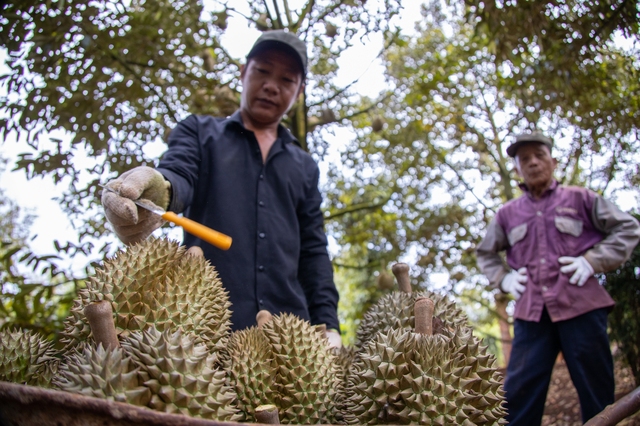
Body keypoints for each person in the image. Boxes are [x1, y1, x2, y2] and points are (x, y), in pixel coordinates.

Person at [101, 30, 341, 346]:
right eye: (263, 71)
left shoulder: (305, 166)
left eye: (287, 80)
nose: (272, 85)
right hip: (205, 330)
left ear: (299, 92)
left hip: (296, 340)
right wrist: (160, 191)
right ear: (243, 73)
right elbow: (178, 175)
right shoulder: (199, 133)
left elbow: (313, 248)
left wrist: (329, 324)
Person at [476, 131, 640, 425]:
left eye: (539, 155)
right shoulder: (506, 214)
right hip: (531, 315)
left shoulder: (582, 198)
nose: (533, 162)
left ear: (553, 161)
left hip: (582, 307)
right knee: (517, 397)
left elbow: (628, 229)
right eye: (525, 159)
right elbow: (485, 254)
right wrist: (504, 279)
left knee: (598, 394)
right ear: (517, 170)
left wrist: (591, 262)